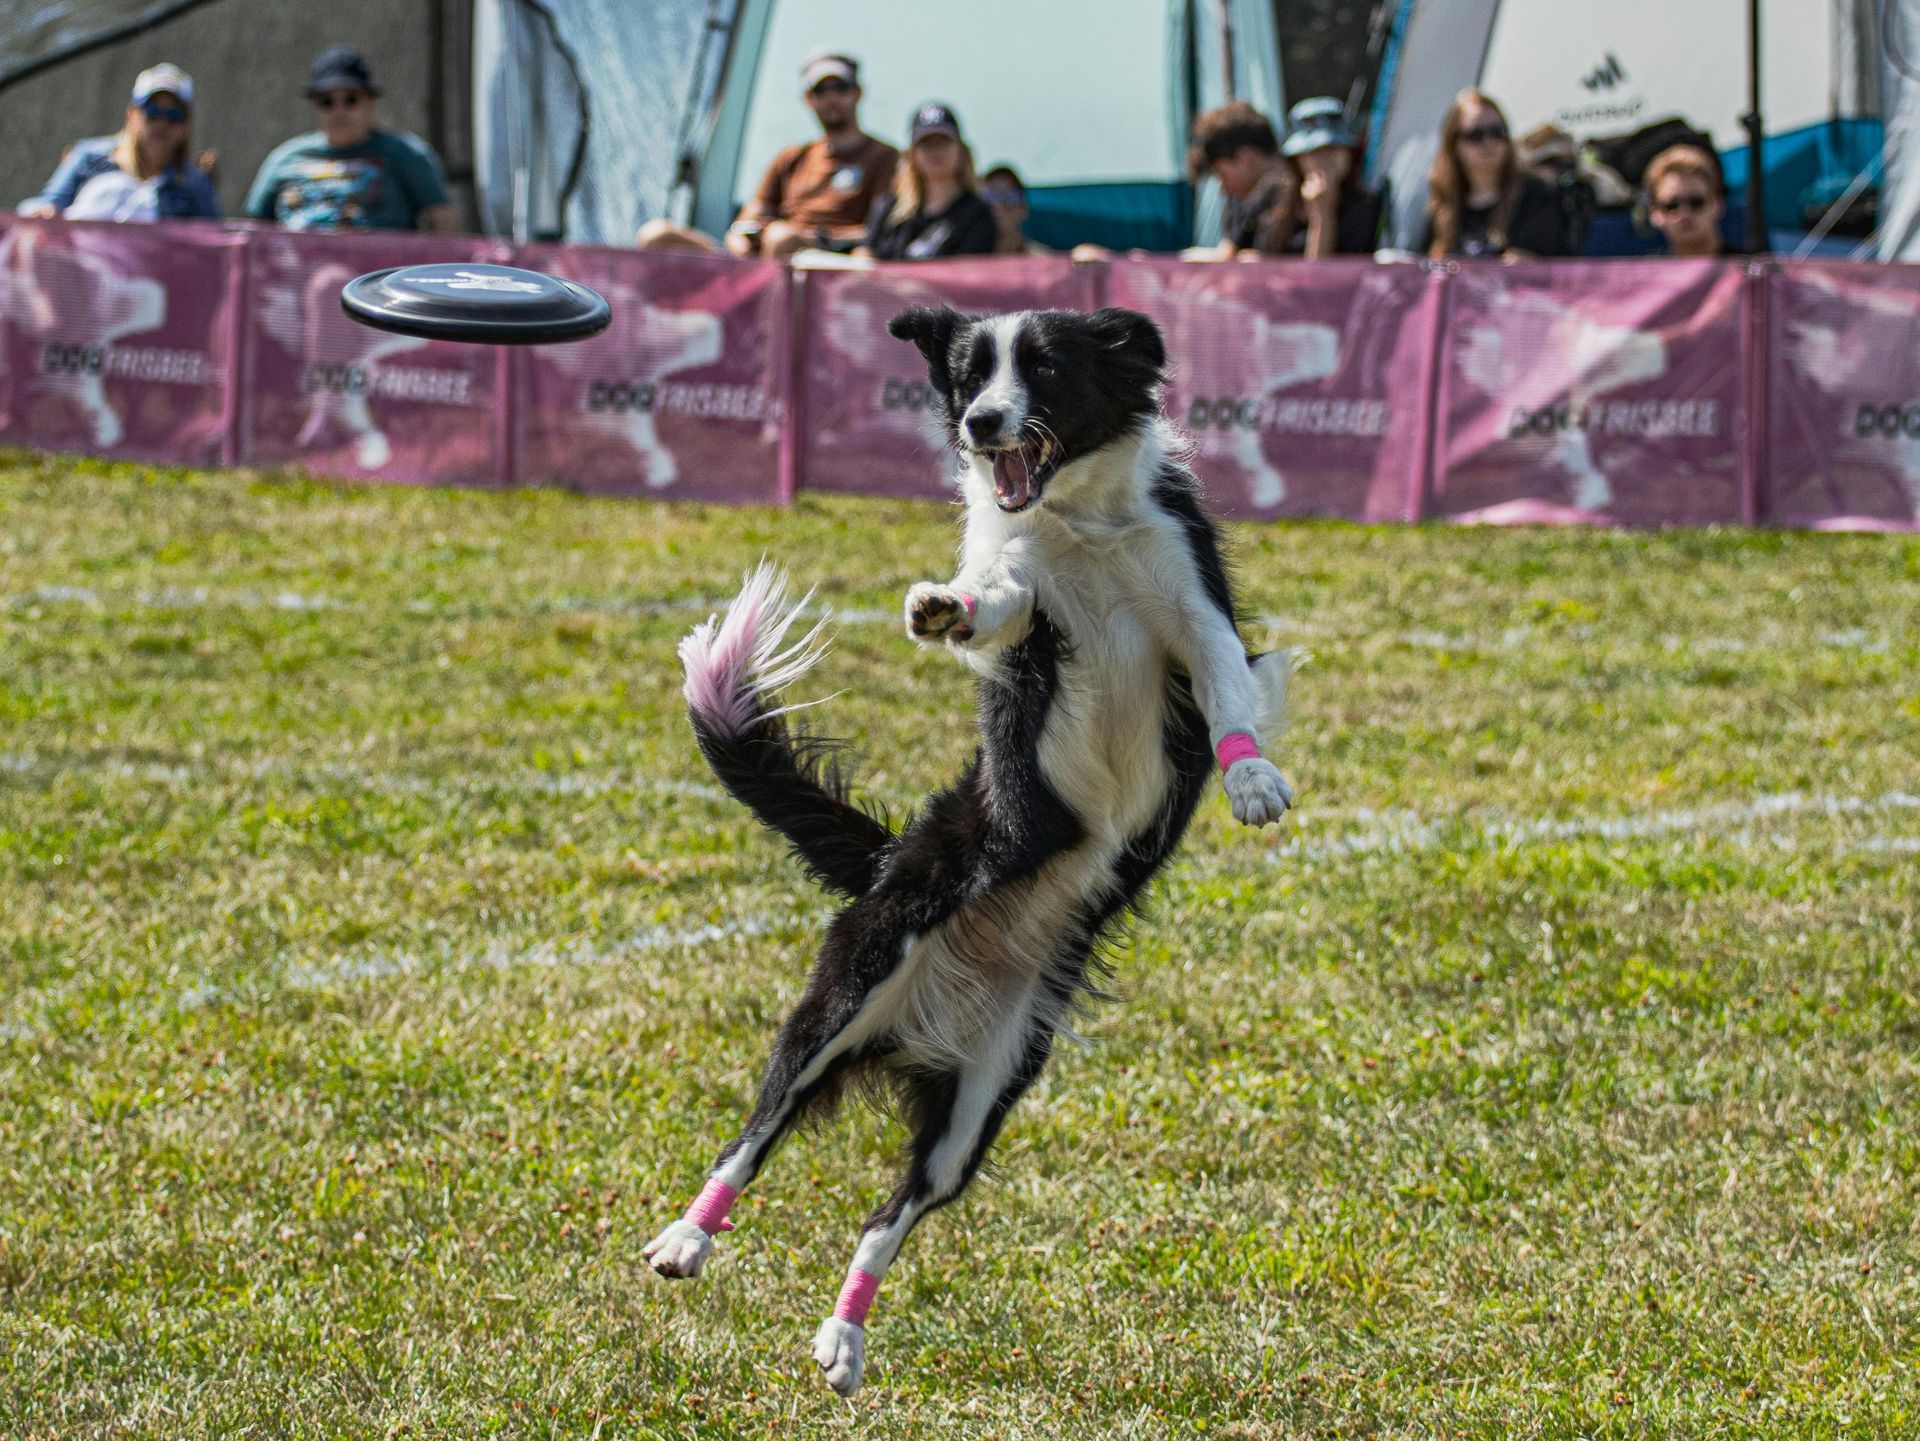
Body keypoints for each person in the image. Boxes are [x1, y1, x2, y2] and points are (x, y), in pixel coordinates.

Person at [639, 50, 896, 257]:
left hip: (820, 266)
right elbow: (751, 214)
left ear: (857, 93)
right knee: (657, 235)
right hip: (762, 258)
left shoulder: (886, 158)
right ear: (808, 99)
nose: (831, 98)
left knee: (781, 237)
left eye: (840, 88)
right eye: (821, 90)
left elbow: (881, 233)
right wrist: (740, 235)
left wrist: (805, 238)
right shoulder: (792, 157)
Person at [245, 45, 456, 233]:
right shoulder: (284, 158)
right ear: (314, 107)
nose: (339, 111)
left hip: (374, 273)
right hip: (294, 273)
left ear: (370, 101)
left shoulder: (405, 153)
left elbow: (441, 223)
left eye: (350, 99)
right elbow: (252, 231)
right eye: (326, 101)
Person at [19, 63, 219, 222]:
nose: (162, 123)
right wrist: (44, 214)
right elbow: (45, 206)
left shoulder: (193, 184)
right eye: (152, 112)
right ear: (132, 115)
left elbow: (216, 246)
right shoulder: (90, 158)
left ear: (186, 125)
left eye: (174, 114)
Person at [1421, 90, 1567, 259]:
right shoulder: (1443, 203)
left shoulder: (1536, 193)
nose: (1489, 142)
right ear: (1453, 145)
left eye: (1497, 132)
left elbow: (1530, 267)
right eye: (1476, 135)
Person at [858, 104, 995, 261]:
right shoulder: (888, 208)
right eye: (926, 143)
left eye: (943, 141)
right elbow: (865, 252)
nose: (935, 151)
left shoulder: (977, 215)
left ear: (961, 149)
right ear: (912, 154)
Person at [1187, 101, 1300, 259]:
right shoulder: (1238, 201)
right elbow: (1228, 253)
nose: (1224, 188)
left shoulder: (1305, 193)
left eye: (1222, 175)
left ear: (1245, 156)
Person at [1280, 96, 1383, 258]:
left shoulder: (1367, 209)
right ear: (1296, 160)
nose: (1323, 158)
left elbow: (1318, 278)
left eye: (1332, 147)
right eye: (1313, 151)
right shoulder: (1280, 205)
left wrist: (1322, 215)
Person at [1644, 145, 1734, 258]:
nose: (1685, 213)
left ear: (1718, 204)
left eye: (1696, 202)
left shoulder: (1750, 271)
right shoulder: (1647, 273)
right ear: (1655, 212)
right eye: (1672, 205)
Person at [981, 165, 1051, 256]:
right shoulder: (967, 259)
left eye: (1011, 198)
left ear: (1024, 209)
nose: (999, 206)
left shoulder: (1042, 259)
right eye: (991, 197)